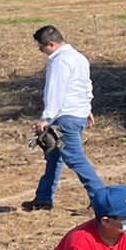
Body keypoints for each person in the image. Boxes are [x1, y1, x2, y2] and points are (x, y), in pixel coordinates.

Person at [25, 26, 105, 211]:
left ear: (51, 44)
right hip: (76, 114)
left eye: (41, 47)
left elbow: (56, 91)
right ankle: (43, 199)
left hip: (65, 118)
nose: (40, 50)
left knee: (76, 159)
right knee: (54, 156)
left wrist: (46, 118)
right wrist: (87, 109)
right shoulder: (78, 57)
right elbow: (86, 85)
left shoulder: (59, 61)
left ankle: (101, 201)